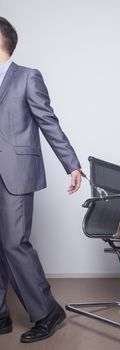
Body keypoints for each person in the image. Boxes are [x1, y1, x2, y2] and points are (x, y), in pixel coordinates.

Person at [0, 17, 82, 343]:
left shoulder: (27, 77)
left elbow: (49, 123)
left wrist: (71, 165)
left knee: (13, 244)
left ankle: (48, 311)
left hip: (16, 174)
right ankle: (2, 314)